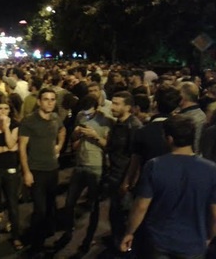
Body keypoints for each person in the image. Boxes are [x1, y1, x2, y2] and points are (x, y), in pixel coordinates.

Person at [120, 115, 216, 258]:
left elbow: (140, 206)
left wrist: (129, 232)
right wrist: (209, 238)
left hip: (158, 241)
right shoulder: (212, 170)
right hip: (193, 244)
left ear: (169, 139)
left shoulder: (154, 166)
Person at [56, 94, 113, 255]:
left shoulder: (106, 120)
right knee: (69, 202)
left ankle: (88, 238)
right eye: (84, 113)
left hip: (96, 167)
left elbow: (109, 146)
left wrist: (95, 136)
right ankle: (68, 231)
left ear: (96, 108)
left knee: (93, 206)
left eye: (89, 113)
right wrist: (76, 134)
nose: (86, 116)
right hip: (80, 164)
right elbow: (73, 141)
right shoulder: (80, 116)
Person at [19, 88, 66, 257]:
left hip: (52, 169)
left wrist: (59, 146)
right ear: (39, 101)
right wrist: (26, 172)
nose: (50, 102)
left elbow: (62, 130)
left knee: (50, 205)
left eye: (52, 99)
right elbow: (22, 148)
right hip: (36, 170)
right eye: (46, 99)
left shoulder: (55, 118)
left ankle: (45, 234)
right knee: (40, 210)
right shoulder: (29, 121)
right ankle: (36, 245)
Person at [105, 91, 142, 249]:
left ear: (128, 107)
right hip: (114, 175)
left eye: (117, 104)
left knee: (124, 216)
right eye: (112, 102)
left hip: (123, 179)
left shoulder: (134, 127)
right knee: (115, 214)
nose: (112, 106)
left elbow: (137, 158)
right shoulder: (117, 123)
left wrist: (128, 182)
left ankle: (124, 248)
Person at [0, 98, 23, 251]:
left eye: (6, 109)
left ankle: (16, 235)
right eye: (0, 108)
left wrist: (6, 128)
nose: (2, 112)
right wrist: (6, 149)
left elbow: (10, 143)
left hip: (10, 169)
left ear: (10, 110)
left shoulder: (15, 125)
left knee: (12, 203)